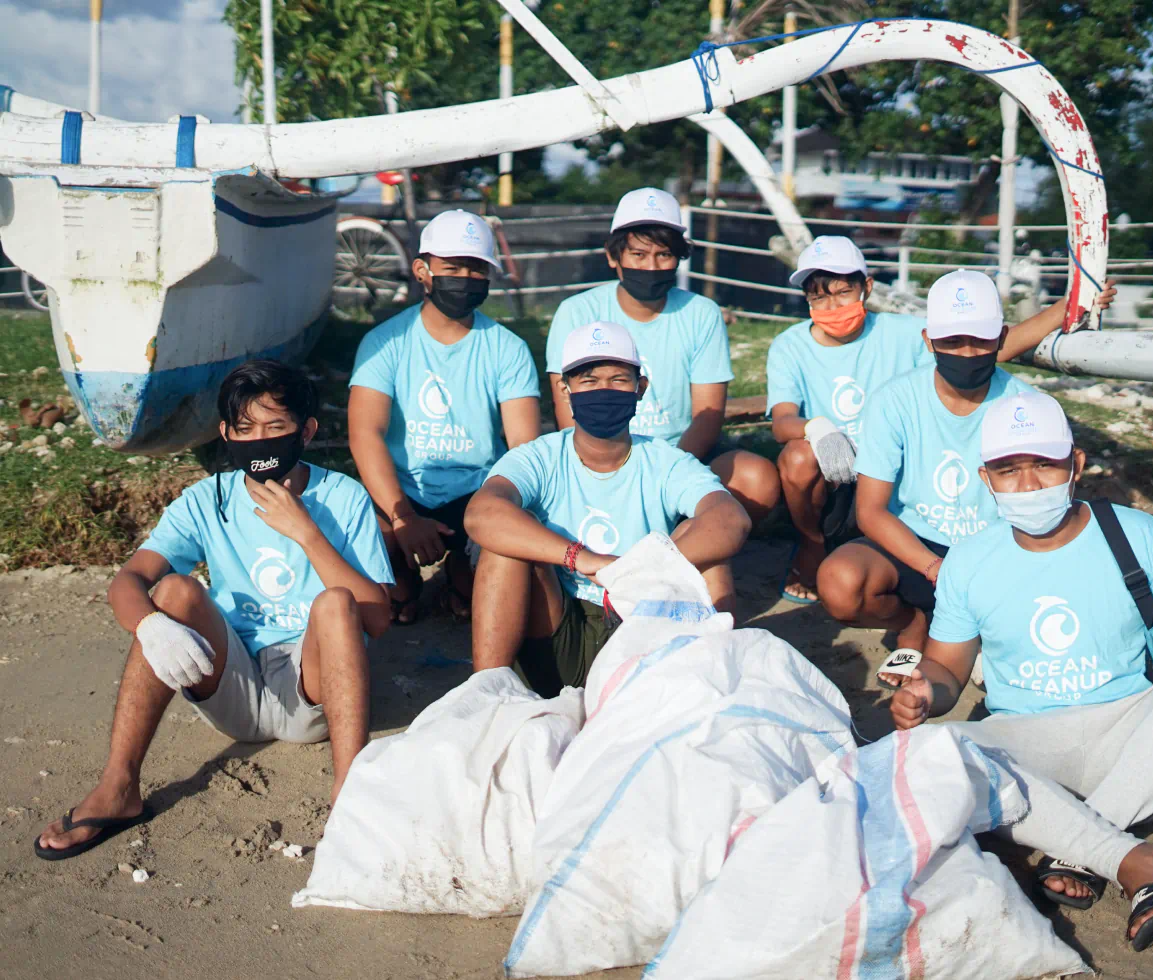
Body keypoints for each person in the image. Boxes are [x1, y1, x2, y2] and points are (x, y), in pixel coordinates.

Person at [889, 390, 1153, 945]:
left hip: (1136, 741)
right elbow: (946, 670)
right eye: (1009, 470)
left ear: (1076, 465)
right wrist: (924, 694)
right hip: (1027, 744)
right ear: (986, 479)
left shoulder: (1136, 533)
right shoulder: (968, 559)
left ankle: (1079, 844)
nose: (1029, 484)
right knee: (921, 754)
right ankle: (1130, 859)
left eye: (1044, 465)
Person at [35, 361, 394, 860]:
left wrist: (307, 533)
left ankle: (350, 792)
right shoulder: (209, 499)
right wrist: (152, 627)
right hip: (233, 688)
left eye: (276, 428)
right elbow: (128, 580)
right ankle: (118, 787)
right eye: (245, 430)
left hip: (315, 692)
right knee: (174, 592)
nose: (260, 441)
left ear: (306, 431)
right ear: (225, 434)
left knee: (335, 603)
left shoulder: (343, 496)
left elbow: (377, 618)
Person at [769, 237, 1115, 603]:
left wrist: (1068, 307)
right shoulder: (790, 345)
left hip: (896, 471)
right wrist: (818, 428)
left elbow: (975, 349)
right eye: (818, 297)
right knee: (798, 457)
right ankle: (810, 544)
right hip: (837, 474)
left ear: (866, 288)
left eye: (842, 292)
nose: (832, 306)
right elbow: (781, 421)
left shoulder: (902, 333)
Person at [467, 320, 751, 696]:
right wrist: (581, 558)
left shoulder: (666, 461)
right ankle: (486, 693)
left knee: (709, 555)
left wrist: (638, 566)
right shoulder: (539, 457)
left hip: (642, 628)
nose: (604, 391)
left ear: (640, 388)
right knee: (504, 547)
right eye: (589, 381)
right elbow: (481, 513)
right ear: (564, 389)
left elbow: (731, 520)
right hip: (558, 629)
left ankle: (717, 682)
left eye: (618, 380)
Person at [816, 269, 1036, 653]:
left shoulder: (1028, 407)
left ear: (1001, 339)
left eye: (979, 340)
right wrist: (935, 569)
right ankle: (913, 621)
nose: (966, 352)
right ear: (929, 341)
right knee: (840, 582)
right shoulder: (894, 399)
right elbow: (871, 511)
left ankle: (966, 635)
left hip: (998, 550)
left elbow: (1038, 512)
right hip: (915, 545)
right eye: (952, 340)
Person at [349, 209, 540, 624]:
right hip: (402, 491)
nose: (465, 280)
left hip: (476, 492)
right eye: (453, 267)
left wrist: (496, 512)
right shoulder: (384, 343)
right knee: (382, 580)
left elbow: (524, 448)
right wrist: (402, 516)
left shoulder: (508, 348)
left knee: (492, 581)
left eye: (476, 270)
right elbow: (366, 433)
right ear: (422, 270)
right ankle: (405, 580)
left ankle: (460, 570)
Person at [544, 187, 780, 522]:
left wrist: (665, 474)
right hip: (599, 454)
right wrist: (607, 471)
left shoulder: (702, 313)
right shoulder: (577, 312)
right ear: (613, 257)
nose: (651, 266)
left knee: (757, 479)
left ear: (679, 258)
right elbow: (566, 407)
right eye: (638, 255)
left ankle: (690, 544)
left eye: (663, 255)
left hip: (680, 455)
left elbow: (708, 415)